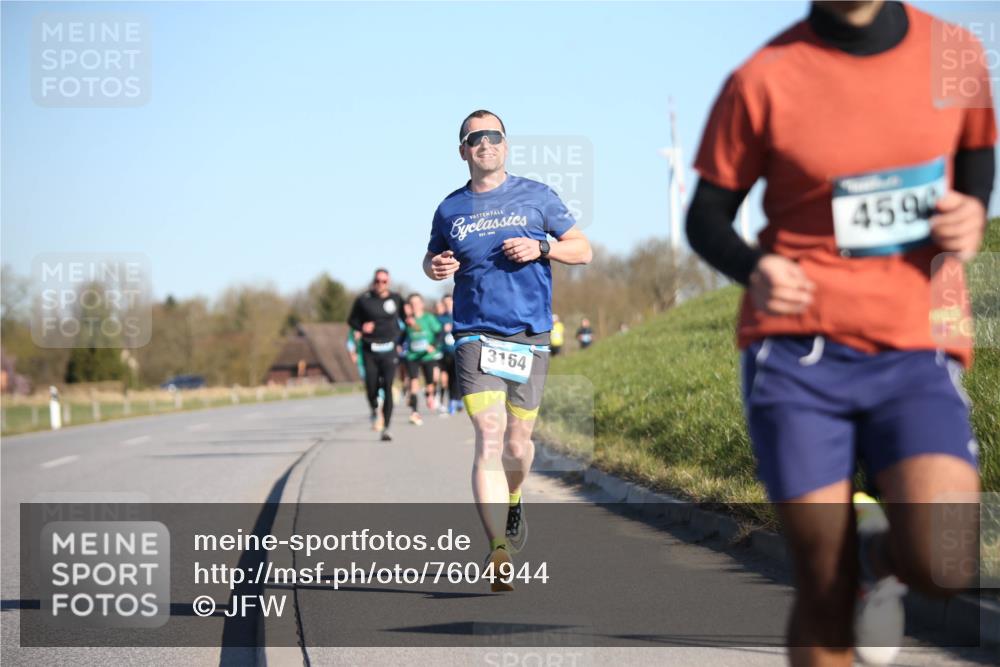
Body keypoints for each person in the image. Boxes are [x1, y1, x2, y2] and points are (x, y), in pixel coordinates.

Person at [686, 2, 995, 665]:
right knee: (820, 585)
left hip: (916, 340)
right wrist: (754, 266)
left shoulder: (956, 53)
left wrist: (973, 213)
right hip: (799, 350)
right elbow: (706, 217)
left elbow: (975, 157)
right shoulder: (764, 77)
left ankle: (872, 555)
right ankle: (844, 568)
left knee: (944, 560)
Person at [423, 109, 592, 591]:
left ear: (506, 144)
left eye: (494, 135)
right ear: (463, 151)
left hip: (529, 336)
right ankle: (497, 547)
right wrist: (434, 266)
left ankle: (514, 499)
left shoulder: (538, 197)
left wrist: (543, 249)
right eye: (475, 138)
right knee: (490, 437)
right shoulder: (449, 209)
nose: (485, 143)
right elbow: (431, 256)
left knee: (518, 444)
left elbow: (583, 248)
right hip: (474, 335)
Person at [347, 268, 406, 442]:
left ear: (388, 282)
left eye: (384, 281)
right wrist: (361, 328)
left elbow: (406, 322)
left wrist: (401, 344)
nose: (380, 284)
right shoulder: (363, 300)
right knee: (371, 386)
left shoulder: (396, 299)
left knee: (387, 387)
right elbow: (352, 321)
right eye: (378, 281)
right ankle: (374, 407)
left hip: (389, 349)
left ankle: (386, 427)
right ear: (373, 282)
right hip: (369, 349)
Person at [403, 293, 443, 426]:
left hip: (427, 356)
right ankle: (414, 412)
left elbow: (440, 332)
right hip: (412, 356)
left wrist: (433, 345)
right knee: (413, 383)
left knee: (430, 383)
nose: (414, 306)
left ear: (422, 304)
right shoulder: (406, 320)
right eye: (412, 303)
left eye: (416, 303)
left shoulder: (429, 318)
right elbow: (401, 336)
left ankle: (429, 394)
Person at [436, 295, 460, 415]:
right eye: (445, 303)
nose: (447, 305)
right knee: (447, 379)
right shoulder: (440, 319)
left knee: (457, 377)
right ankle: (451, 401)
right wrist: (442, 329)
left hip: (458, 351)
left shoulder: (459, 314)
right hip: (445, 352)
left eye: (449, 302)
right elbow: (435, 332)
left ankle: (457, 399)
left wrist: (453, 327)